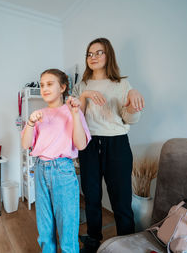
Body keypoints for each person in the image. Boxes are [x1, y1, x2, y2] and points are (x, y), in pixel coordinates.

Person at [72, 38, 145, 253]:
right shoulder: (81, 86)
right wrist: (84, 95)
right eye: (89, 53)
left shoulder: (122, 84)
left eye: (99, 52)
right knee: (91, 196)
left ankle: (127, 242)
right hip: (89, 144)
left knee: (121, 199)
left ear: (108, 55)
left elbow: (130, 120)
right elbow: (77, 117)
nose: (93, 57)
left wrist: (133, 100)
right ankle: (93, 239)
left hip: (117, 144)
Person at [21, 68, 91, 253]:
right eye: (42, 84)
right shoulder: (38, 114)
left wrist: (75, 113)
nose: (44, 88)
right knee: (45, 230)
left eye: (49, 84)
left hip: (63, 171)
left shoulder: (72, 111)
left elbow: (81, 145)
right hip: (40, 170)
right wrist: (30, 122)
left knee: (67, 230)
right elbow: (26, 144)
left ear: (63, 87)